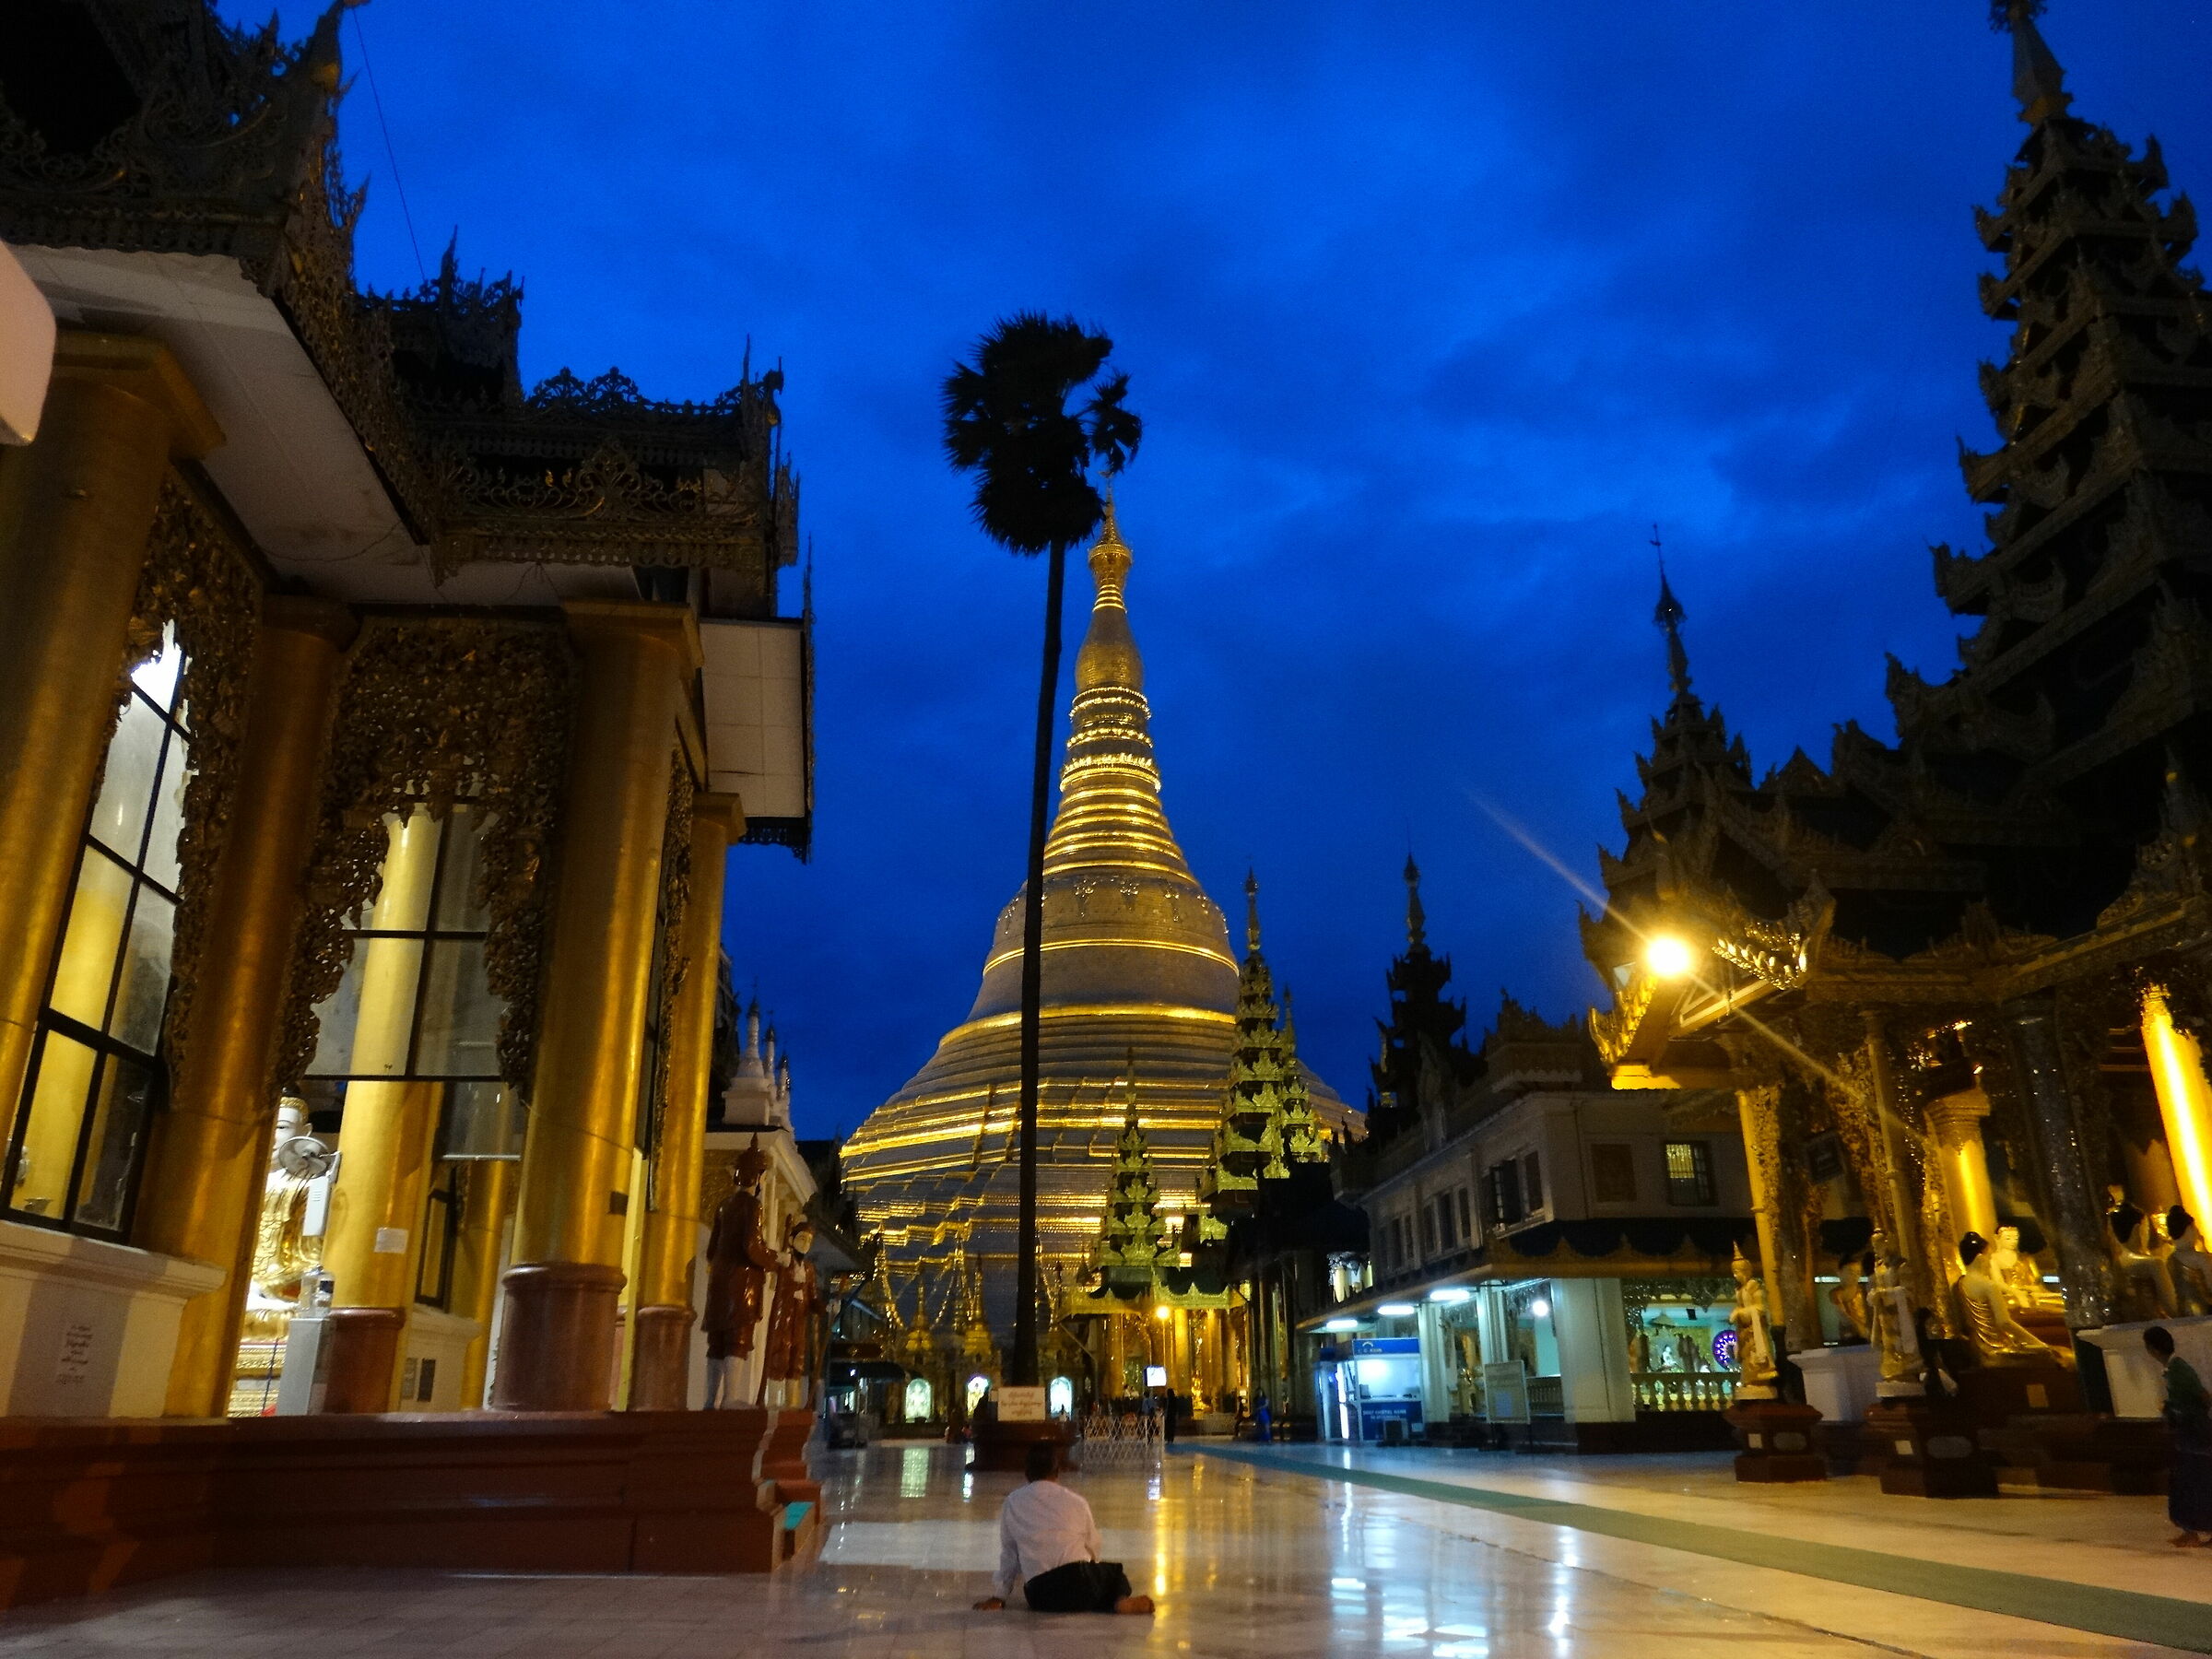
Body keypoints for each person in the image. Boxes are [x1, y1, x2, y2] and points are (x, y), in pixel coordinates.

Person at [973, 1441, 1154, 1616]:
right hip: (1082, 1582)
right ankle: (1117, 1602)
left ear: (1026, 1472)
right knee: (1114, 1575)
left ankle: (1105, 1601)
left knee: (1070, 1592)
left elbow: (1009, 1553)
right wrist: (1093, 1570)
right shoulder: (1076, 1501)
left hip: (1041, 1594)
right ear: (1057, 1471)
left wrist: (1000, 1596)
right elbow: (1093, 1546)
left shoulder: (1012, 1502)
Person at [2146, 1325, 2212, 1547]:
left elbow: (2203, 1397)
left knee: (2197, 1481)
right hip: (2189, 1434)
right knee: (2186, 1482)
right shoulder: (2174, 1369)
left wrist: (2171, 1408)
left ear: (2152, 1349)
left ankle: (2196, 1529)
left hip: (2194, 1435)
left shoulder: (2178, 1370)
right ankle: (2190, 1530)